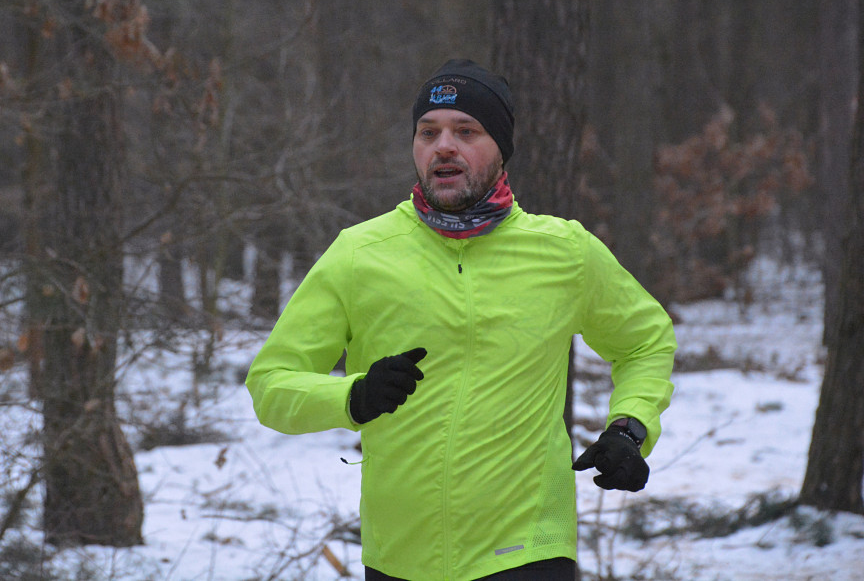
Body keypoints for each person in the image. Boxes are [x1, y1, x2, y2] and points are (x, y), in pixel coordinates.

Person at [246, 59, 676, 581]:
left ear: (500, 147)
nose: (443, 146)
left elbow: (644, 343)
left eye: (466, 131)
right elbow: (271, 385)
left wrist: (629, 428)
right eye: (428, 132)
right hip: (401, 558)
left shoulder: (565, 251)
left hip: (528, 553)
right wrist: (352, 398)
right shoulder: (361, 254)